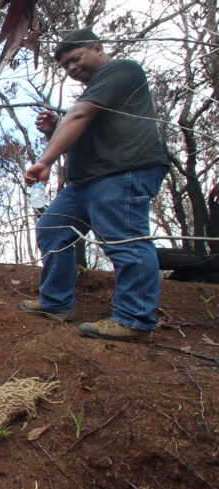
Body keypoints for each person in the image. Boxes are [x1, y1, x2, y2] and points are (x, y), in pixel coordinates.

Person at [20, 27, 170, 342]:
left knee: (123, 240)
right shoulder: (97, 93)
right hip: (86, 182)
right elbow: (83, 132)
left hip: (124, 171)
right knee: (53, 228)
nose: (72, 68)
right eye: (65, 66)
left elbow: (80, 117)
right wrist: (53, 133)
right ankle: (55, 303)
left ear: (98, 48)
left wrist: (45, 160)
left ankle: (134, 320)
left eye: (76, 58)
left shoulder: (122, 70)